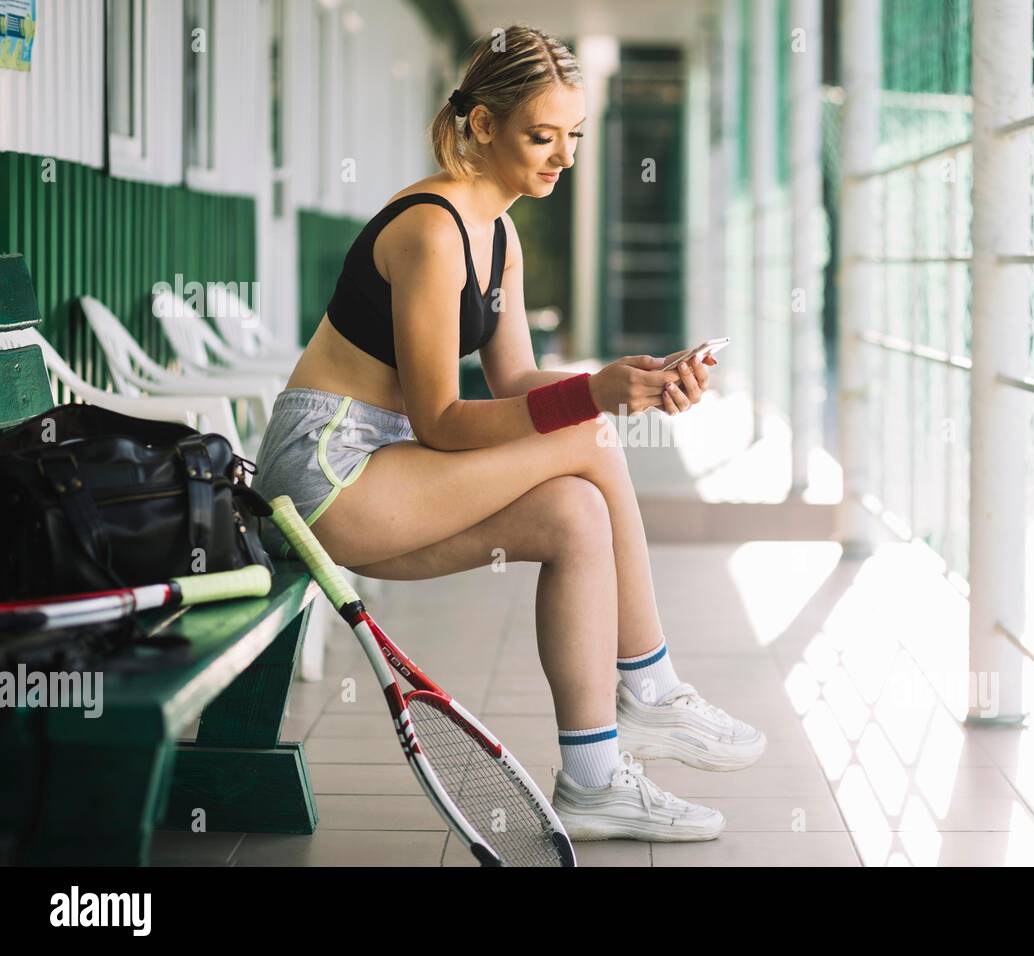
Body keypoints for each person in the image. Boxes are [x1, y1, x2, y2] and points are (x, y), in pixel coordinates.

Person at [252, 24, 765, 843]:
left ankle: (594, 781)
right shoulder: (430, 230)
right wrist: (592, 402)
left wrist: (629, 382)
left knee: (573, 512)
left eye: (573, 137)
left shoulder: (501, 233)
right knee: (590, 443)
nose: (562, 157)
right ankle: (653, 687)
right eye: (541, 136)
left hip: (390, 468)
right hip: (328, 468)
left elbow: (518, 385)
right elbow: (445, 422)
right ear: (483, 126)